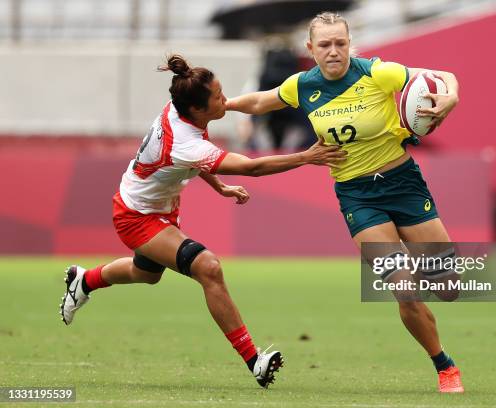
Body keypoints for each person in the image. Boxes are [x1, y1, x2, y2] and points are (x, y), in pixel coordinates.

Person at [59, 54, 345, 389]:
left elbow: (192, 155)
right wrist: (306, 157)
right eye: (218, 97)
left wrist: (219, 185)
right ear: (197, 108)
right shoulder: (183, 139)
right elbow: (248, 167)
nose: (225, 100)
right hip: (136, 217)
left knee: (146, 274)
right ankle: (255, 360)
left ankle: (85, 280)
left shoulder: (180, 108)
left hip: (156, 205)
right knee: (208, 267)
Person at [225, 12, 464, 393]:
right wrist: (222, 104)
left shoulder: (377, 73)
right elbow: (259, 102)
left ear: (350, 44)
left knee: (449, 287)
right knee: (403, 288)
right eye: (324, 45)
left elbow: (440, 75)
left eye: (340, 43)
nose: (333, 51)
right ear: (311, 49)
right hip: (356, 195)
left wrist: (451, 95)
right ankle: (445, 366)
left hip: (404, 185)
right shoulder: (302, 85)